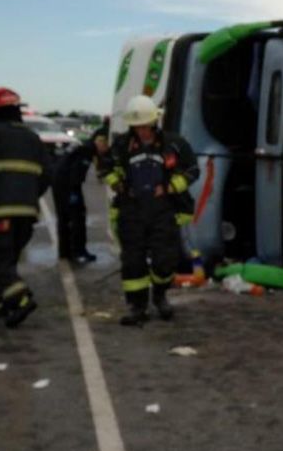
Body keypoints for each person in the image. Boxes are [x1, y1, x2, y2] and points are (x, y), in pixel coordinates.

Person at [100, 96, 198, 327]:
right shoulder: (122, 145)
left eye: (145, 126)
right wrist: (118, 183)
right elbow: (106, 166)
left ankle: (161, 295)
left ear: (154, 123)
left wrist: (170, 187)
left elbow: (193, 170)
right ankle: (137, 306)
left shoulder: (174, 144)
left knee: (165, 259)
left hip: (163, 211)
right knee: (133, 261)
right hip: (131, 211)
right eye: (137, 127)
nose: (141, 131)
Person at [0, 87, 51, 328]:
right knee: (8, 259)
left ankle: (21, 298)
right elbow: (47, 174)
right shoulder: (33, 138)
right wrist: (29, 195)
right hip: (27, 213)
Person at [52, 121, 109, 264]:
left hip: (58, 183)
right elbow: (76, 173)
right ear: (100, 142)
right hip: (67, 186)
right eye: (106, 146)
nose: (106, 150)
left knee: (64, 219)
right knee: (77, 218)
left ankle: (64, 252)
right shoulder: (87, 151)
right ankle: (78, 253)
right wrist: (73, 193)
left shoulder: (82, 146)